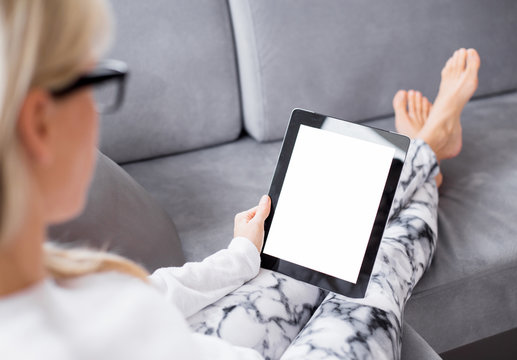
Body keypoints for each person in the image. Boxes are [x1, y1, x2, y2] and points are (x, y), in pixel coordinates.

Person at [0, 1, 480, 359]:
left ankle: (425, 152)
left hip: (195, 333)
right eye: (95, 81)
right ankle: (430, 147)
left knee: (304, 254)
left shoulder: (53, 279)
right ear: (39, 123)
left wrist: (240, 257)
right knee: (376, 279)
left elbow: (156, 294)